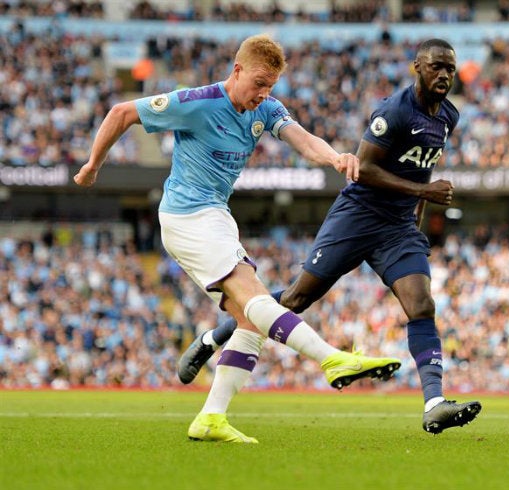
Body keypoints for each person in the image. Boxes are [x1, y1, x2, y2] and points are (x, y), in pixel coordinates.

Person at [74, 34, 401, 443]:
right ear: (237, 70)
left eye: (271, 87)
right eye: (259, 83)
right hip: (188, 217)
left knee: (250, 319)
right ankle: (331, 358)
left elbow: (302, 138)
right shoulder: (197, 102)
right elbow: (122, 112)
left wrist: (334, 157)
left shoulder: (265, 108)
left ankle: (211, 418)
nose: (263, 94)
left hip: (216, 217)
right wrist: (92, 165)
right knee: (255, 297)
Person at [179, 38, 482, 434]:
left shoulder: (448, 116)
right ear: (416, 67)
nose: (444, 74)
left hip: (398, 228)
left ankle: (434, 403)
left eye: (450, 69)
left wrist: (416, 218)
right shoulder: (393, 111)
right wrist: (424, 193)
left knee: (422, 305)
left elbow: (420, 172)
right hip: (357, 216)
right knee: (295, 299)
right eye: (435, 66)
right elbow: (365, 170)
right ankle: (215, 335)